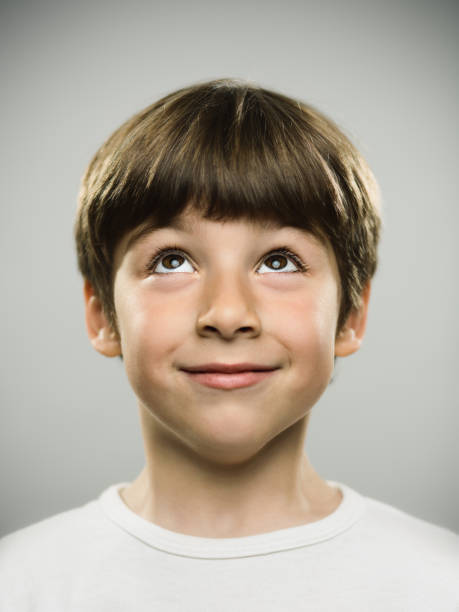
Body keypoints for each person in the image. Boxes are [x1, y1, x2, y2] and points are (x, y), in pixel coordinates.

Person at [0, 79, 457, 611]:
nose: (228, 314)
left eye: (279, 260)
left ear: (350, 315)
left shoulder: (440, 584)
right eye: (171, 260)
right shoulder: (20, 585)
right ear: (103, 315)